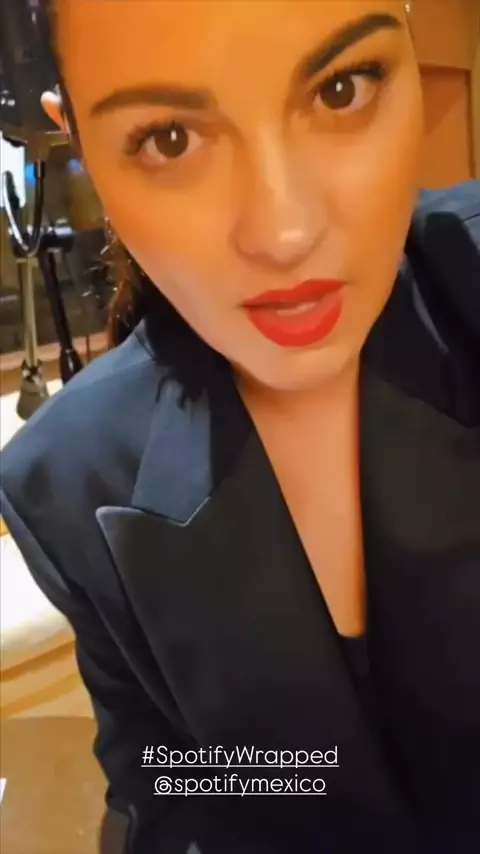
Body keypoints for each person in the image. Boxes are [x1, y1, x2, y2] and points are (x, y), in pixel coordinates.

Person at [1, 1, 479, 852]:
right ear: (77, 141)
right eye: (170, 139)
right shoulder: (68, 481)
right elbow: (182, 789)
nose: (286, 231)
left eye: (341, 89)